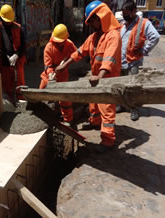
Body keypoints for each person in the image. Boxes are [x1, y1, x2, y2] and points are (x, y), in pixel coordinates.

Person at [55, 1, 122, 152]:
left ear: (101, 17)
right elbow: (80, 52)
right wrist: (65, 64)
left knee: (107, 108)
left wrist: (100, 75)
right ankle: (95, 122)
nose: (90, 24)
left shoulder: (113, 36)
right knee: (94, 103)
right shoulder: (93, 37)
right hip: (96, 77)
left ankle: (108, 141)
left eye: (92, 20)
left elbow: (109, 59)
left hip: (108, 79)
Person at [118, 0, 160, 121]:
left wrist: (144, 51)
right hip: (121, 61)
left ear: (134, 11)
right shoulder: (123, 24)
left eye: (127, 13)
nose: (125, 16)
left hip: (133, 62)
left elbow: (155, 37)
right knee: (122, 86)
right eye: (123, 13)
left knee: (133, 87)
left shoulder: (144, 23)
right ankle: (122, 105)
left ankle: (134, 109)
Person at [39, 24, 77, 126]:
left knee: (64, 97)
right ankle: (38, 116)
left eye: (61, 42)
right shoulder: (49, 47)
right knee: (40, 94)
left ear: (65, 38)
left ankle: (68, 119)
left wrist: (66, 63)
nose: (59, 44)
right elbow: (47, 65)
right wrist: (51, 74)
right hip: (48, 75)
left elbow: (76, 55)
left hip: (63, 75)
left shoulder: (69, 44)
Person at [0, 4, 26, 103]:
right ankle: (9, 101)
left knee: (19, 82)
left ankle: (20, 99)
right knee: (6, 83)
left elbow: (23, 46)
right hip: (3, 61)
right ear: (1, 17)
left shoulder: (18, 28)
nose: (9, 23)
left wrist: (16, 55)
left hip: (16, 61)